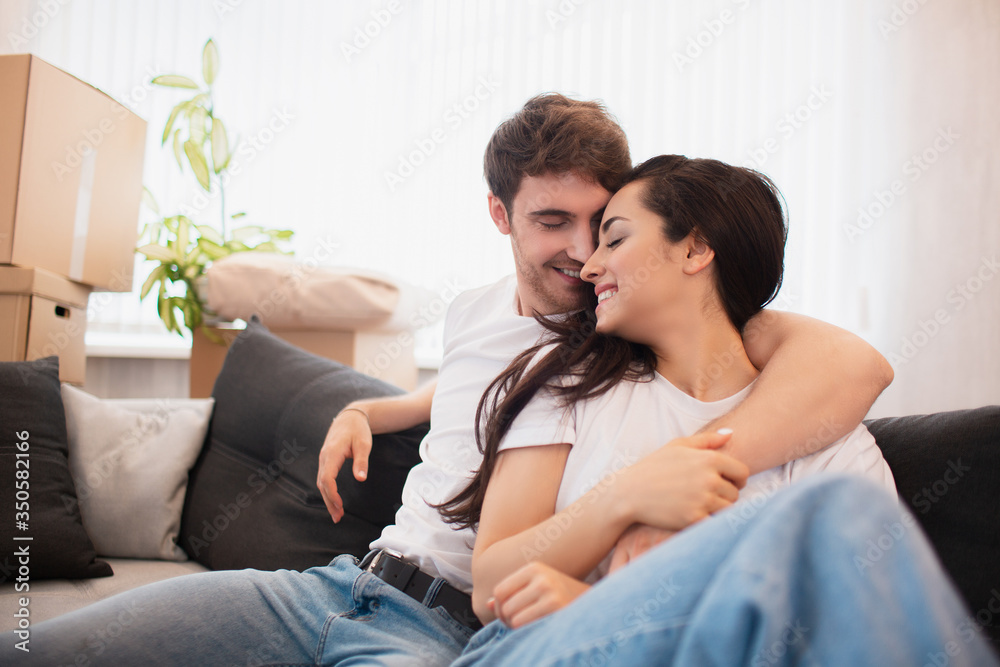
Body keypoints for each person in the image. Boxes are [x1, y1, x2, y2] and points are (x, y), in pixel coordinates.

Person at [3, 94, 895, 666]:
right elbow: (475, 393)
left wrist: (687, 468)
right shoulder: (478, 313)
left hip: (446, 627)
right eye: (554, 222)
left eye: (605, 224)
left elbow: (846, 364)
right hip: (340, 581)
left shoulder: (611, 341)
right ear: (500, 215)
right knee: (37, 644)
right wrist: (375, 404)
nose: (584, 253)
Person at [437, 154, 896, 628]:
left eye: (613, 239)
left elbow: (862, 633)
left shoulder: (828, 440)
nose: (588, 266)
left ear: (695, 250)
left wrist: (609, 610)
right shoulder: (567, 385)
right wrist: (624, 497)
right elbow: (491, 588)